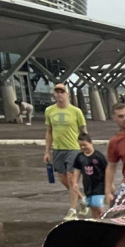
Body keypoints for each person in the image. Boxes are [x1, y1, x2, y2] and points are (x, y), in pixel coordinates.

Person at [45, 83, 88, 219]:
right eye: (57, 92)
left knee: (72, 179)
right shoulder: (49, 111)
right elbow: (49, 131)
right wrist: (47, 151)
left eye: (62, 92)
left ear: (67, 94)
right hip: (58, 149)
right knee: (62, 178)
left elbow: (84, 131)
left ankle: (72, 211)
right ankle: (82, 199)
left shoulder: (76, 111)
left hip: (74, 149)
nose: (59, 94)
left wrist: (87, 148)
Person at [73, 131, 108, 218]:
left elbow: (107, 170)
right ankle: (96, 222)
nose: (83, 147)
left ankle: (106, 220)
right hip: (88, 185)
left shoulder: (98, 156)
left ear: (91, 143)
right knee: (93, 206)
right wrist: (75, 182)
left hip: (99, 184)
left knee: (98, 205)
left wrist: (109, 184)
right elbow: (77, 169)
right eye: (81, 146)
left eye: (85, 145)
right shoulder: (80, 157)